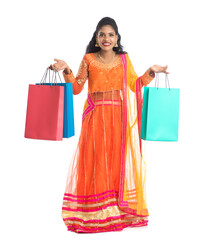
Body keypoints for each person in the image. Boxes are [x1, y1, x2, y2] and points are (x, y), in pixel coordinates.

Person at [50, 17, 169, 233]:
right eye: (102, 34)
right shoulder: (88, 59)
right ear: (96, 39)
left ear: (116, 39)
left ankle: (115, 210)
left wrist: (151, 72)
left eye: (111, 34)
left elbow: (135, 84)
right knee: (95, 161)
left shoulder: (124, 59)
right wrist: (66, 68)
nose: (106, 38)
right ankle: (94, 211)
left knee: (115, 161)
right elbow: (76, 88)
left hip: (117, 118)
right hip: (95, 117)